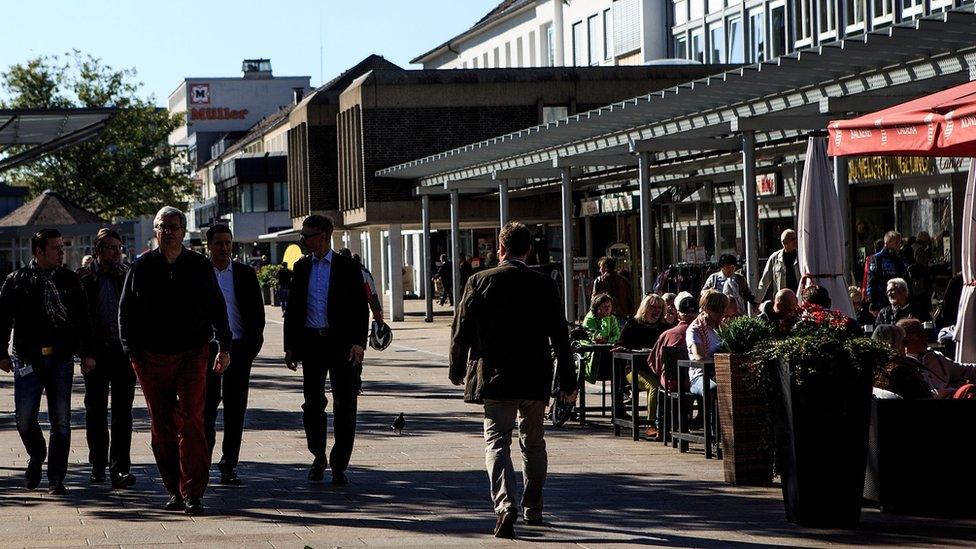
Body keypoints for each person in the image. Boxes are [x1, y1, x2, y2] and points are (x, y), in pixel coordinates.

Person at [448, 221, 577, 539]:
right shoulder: (545, 284)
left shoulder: (479, 280)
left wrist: (456, 366)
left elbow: (461, 327)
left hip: (495, 376)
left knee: (497, 441)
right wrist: (568, 381)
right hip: (535, 377)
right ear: (529, 251)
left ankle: (505, 506)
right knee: (534, 443)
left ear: (500, 248)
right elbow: (561, 336)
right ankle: (533, 507)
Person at [119, 206, 232, 515]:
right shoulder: (141, 268)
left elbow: (216, 306)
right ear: (155, 231)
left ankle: (194, 491)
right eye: (162, 227)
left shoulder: (198, 265)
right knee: (163, 425)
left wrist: (224, 346)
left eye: (173, 226)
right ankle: (174, 489)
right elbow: (125, 312)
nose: (167, 231)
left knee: (194, 421)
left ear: (184, 231)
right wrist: (131, 352)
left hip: (193, 352)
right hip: (151, 357)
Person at [0, 229, 95, 495]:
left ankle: (56, 478)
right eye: (55, 248)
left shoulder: (68, 280)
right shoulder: (17, 280)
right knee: (24, 419)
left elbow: (83, 319)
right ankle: (37, 454)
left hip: (61, 358)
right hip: (28, 359)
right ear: (38, 252)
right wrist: (1, 353)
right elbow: (3, 319)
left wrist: (87, 353)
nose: (61, 252)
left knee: (61, 422)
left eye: (62, 247)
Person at [283, 215, 369, 486]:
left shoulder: (347, 267)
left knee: (345, 405)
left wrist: (359, 343)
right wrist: (290, 347)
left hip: (341, 344)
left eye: (306, 235)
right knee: (312, 404)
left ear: (324, 235)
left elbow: (360, 307)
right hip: (312, 344)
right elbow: (293, 310)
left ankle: (339, 463)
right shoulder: (302, 267)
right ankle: (318, 455)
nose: (302, 240)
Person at [203, 225, 265, 487]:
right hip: (207, 351)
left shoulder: (244, 273)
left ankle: (229, 464)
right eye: (219, 243)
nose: (224, 248)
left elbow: (257, 314)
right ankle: (202, 462)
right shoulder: (199, 273)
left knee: (235, 410)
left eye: (228, 243)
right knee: (205, 409)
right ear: (209, 245)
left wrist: (251, 348)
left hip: (239, 350)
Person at [77, 228, 137, 489]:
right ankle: (98, 464)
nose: (116, 252)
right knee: (96, 412)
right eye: (111, 248)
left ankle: (120, 468)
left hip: (124, 353)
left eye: (119, 247)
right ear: (99, 250)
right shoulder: (85, 278)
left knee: (123, 414)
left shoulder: (127, 275)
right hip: (96, 354)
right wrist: (85, 353)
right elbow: (80, 320)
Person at [618, 294, 667, 438]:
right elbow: (620, 344)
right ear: (645, 308)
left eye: (659, 307)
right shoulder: (633, 324)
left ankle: (670, 422)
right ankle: (651, 424)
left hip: (657, 369)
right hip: (634, 369)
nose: (656, 310)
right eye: (653, 307)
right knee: (654, 386)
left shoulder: (663, 326)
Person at [899, 318, 976, 399]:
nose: (925, 336)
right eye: (920, 333)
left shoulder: (935, 356)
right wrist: (948, 391)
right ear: (906, 338)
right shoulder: (902, 365)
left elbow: (966, 370)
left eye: (924, 333)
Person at [648, 291, 698, 393]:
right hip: (696, 382)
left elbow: (654, 364)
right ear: (698, 314)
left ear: (678, 314)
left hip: (672, 383)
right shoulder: (705, 333)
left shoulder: (667, 334)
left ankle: (663, 409)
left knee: (658, 385)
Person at [871, 324, 932, 400]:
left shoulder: (872, 368)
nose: (907, 346)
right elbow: (923, 397)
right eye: (905, 342)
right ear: (894, 344)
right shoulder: (901, 371)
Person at [687, 290, 730, 396]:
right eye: (718, 310)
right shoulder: (695, 329)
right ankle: (711, 413)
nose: (722, 313)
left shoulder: (723, 327)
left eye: (723, 309)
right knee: (714, 389)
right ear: (708, 309)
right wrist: (721, 362)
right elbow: (699, 357)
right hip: (701, 375)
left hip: (722, 372)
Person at [866, 230, 909, 313]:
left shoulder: (900, 259)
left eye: (900, 243)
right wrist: (873, 303)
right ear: (888, 243)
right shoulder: (877, 258)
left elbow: (905, 279)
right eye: (896, 243)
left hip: (899, 302)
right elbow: (872, 281)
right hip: (882, 302)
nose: (899, 246)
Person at [582, 293, 620, 384]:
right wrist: (605, 320)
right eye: (604, 306)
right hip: (592, 352)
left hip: (608, 350)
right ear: (597, 308)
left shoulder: (612, 318)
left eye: (609, 306)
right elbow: (597, 338)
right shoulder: (590, 319)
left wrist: (607, 340)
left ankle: (621, 389)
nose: (607, 309)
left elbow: (617, 336)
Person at [757, 229, 800, 302]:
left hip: (799, 297)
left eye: (796, 238)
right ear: (784, 242)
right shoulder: (774, 257)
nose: (795, 241)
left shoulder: (801, 256)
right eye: (792, 239)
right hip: (782, 300)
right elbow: (765, 280)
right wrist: (757, 301)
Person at [592, 257, 634, 323]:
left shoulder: (599, 280)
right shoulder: (623, 280)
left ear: (605, 267)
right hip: (622, 316)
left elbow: (594, 301)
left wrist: (593, 316)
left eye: (600, 267)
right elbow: (630, 299)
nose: (599, 270)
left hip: (605, 317)